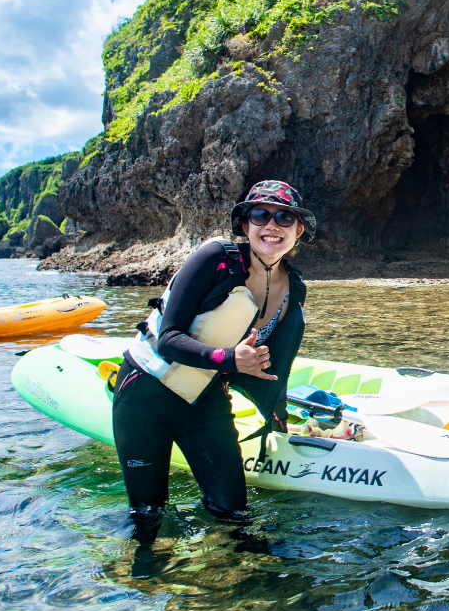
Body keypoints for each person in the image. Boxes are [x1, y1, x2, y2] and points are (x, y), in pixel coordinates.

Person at [110, 180, 313, 533]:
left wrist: (282, 419)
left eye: (284, 217)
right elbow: (168, 339)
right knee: (148, 517)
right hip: (146, 395)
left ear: (299, 230)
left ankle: (232, 566)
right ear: (245, 224)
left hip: (205, 401)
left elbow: (271, 369)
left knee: (233, 514)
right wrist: (230, 358)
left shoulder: (293, 289)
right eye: (260, 215)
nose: (272, 225)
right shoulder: (215, 258)